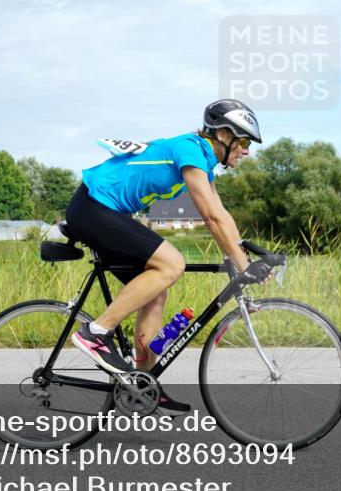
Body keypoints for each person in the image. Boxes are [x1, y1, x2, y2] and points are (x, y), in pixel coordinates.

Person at [64, 99, 262, 415]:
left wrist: (243, 252)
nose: (247, 151)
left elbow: (221, 214)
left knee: (156, 292)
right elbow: (209, 217)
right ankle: (95, 333)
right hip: (92, 207)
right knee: (173, 263)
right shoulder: (191, 149)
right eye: (245, 141)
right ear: (224, 135)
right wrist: (242, 265)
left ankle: (141, 385)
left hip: (104, 211)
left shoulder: (202, 160)